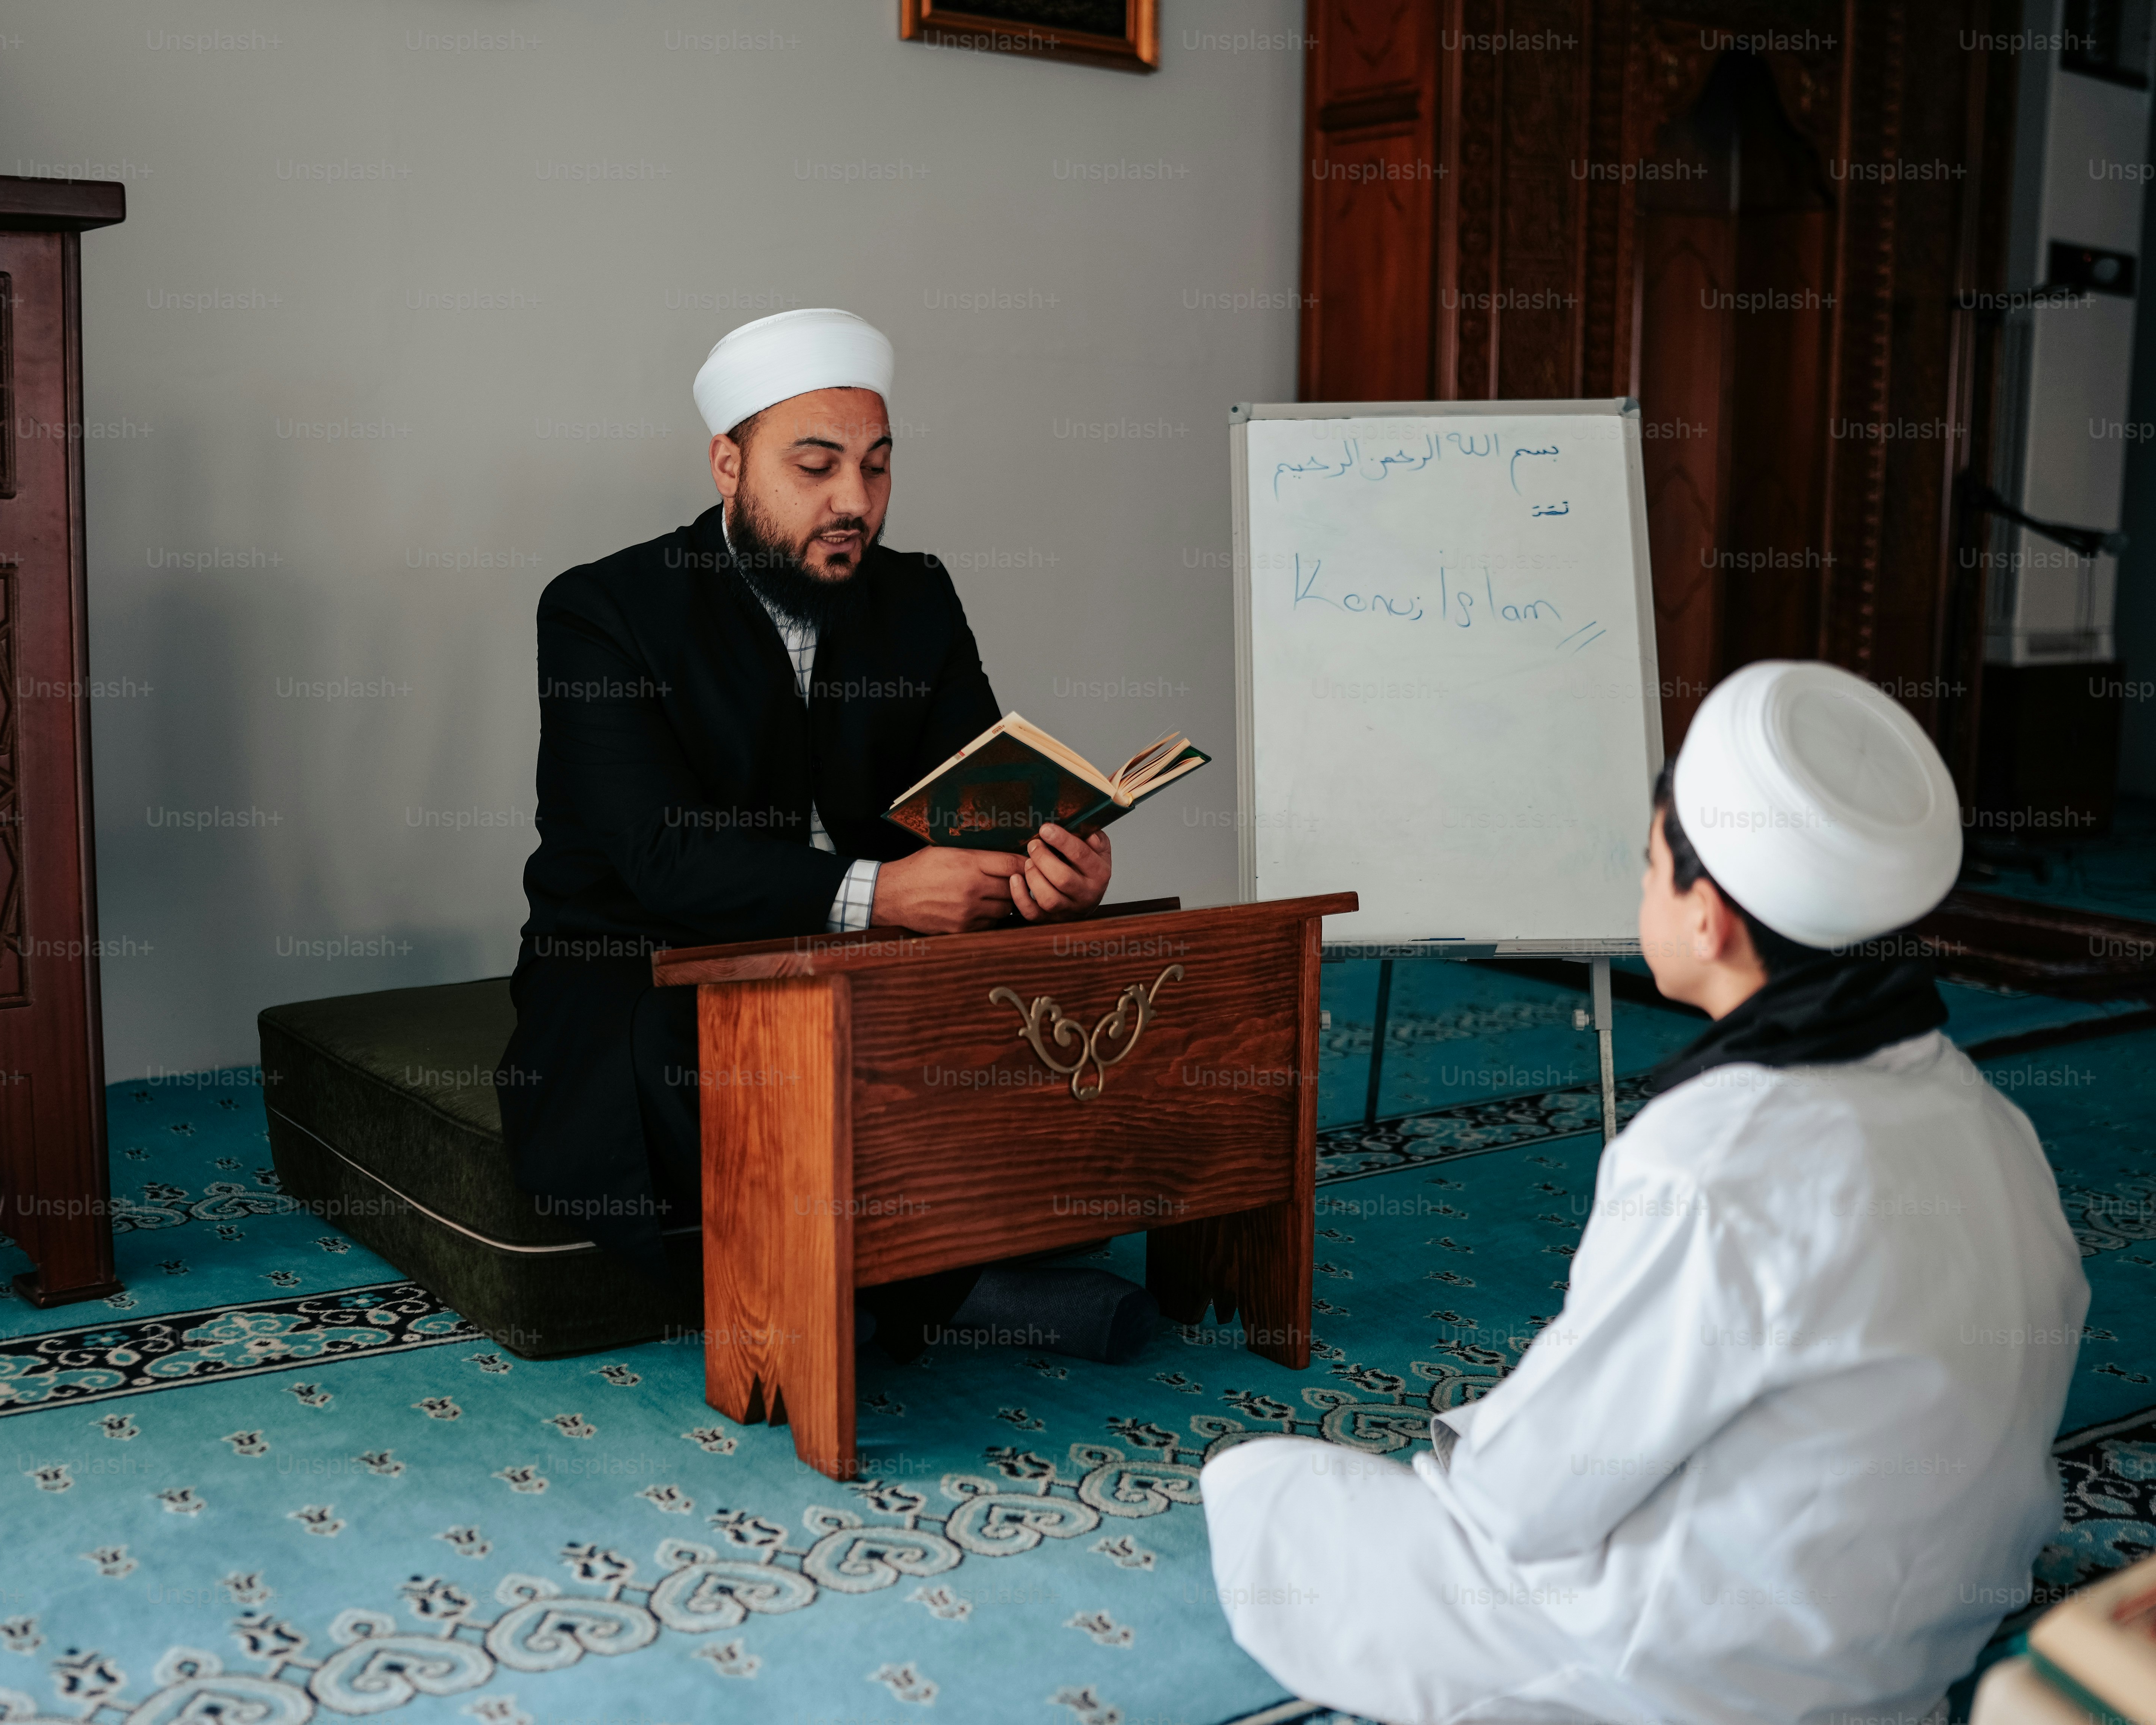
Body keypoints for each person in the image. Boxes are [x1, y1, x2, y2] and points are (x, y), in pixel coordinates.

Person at [1200, 660, 2089, 1725]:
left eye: (1646, 864)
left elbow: (1527, 1499)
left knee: (1261, 1498)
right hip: (1920, 1645)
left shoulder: (1716, 1152)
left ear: (1708, 916)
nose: (1637, 891)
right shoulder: (1988, 1115)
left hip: (1713, 1669)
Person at [496, 308, 1118, 1351]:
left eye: (875, 469)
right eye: (816, 467)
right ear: (727, 465)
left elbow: (977, 803)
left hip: (871, 961)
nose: (853, 503)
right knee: (717, 1056)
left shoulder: (914, 596)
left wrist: (1052, 865)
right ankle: (932, 1298)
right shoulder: (603, 610)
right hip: (644, 965)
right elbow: (661, 857)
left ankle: (974, 1240)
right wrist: (880, 892)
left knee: (1085, 974)